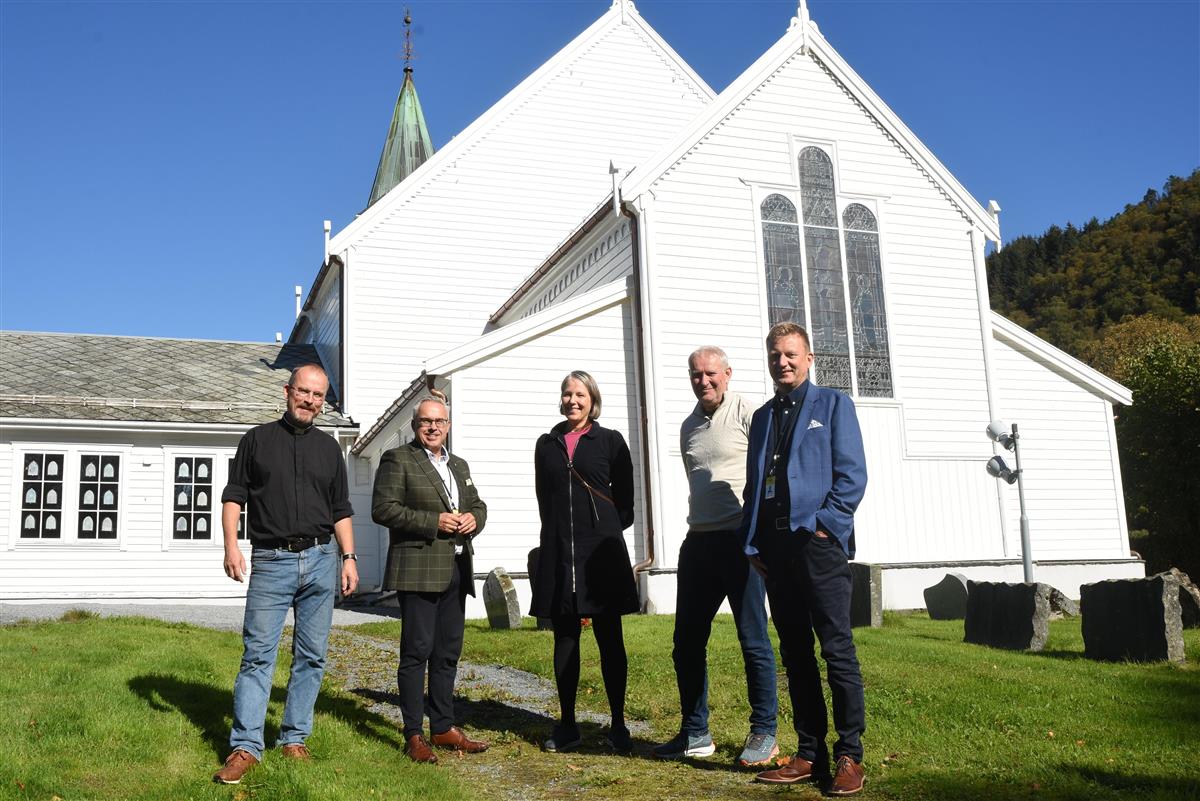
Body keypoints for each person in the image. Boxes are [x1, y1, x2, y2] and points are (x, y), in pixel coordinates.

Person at [214, 363, 359, 785]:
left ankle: (294, 737)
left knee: (312, 656)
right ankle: (245, 747)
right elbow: (233, 497)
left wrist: (349, 557)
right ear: (287, 390)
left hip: (320, 560)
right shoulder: (256, 441)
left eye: (318, 395)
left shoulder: (330, 449)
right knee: (258, 655)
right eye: (303, 392)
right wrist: (230, 546)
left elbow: (341, 510)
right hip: (271, 561)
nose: (310, 400)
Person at [742, 323, 869, 796]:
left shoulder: (834, 405)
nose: (783, 362)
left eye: (791, 354)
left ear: (809, 358)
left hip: (818, 547)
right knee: (795, 655)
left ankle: (850, 755)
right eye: (775, 355)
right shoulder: (761, 417)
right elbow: (754, 485)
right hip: (774, 553)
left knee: (837, 651)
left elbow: (852, 476)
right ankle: (809, 753)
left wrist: (824, 525)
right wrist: (750, 541)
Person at [653, 347, 780, 767]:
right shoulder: (690, 425)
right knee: (686, 643)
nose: (703, 381)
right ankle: (695, 732)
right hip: (699, 542)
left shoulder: (749, 412)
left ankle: (765, 732)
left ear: (727, 373)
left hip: (739, 542)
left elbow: (768, 470)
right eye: (695, 375)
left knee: (753, 640)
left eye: (710, 374)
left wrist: (758, 535)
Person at [371, 396, 489, 764]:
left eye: (439, 421)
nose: (433, 427)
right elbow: (383, 509)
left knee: (447, 653)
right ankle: (414, 734)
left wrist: (474, 520)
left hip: (456, 568)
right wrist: (434, 522)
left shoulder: (458, 464)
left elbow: (478, 505)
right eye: (426, 421)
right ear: (415, 425)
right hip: (418, 568)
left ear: (449, 425)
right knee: (416, 653)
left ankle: (443, 726)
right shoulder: (398, 459)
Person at [530, 370, 638, 754]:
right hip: (560, 554)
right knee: (565, 639)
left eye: (580, 394)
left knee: (611, 640)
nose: (572, 401)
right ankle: (568, 724)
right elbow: (547, 500)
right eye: (566, 394)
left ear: (592, 399)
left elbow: (626, 505)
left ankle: (619, 724)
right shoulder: (547, 444)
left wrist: (598, 530)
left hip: (601, 559)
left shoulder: (610, 442)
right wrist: (563, 535)